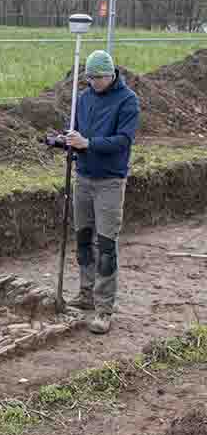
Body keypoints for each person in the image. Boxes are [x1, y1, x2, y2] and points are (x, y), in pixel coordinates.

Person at [64, 50, 140, 334]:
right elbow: (77, 133)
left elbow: (123, 141)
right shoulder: (83, 99)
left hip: (110, 181)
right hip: (83, 177)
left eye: (98, 78)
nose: (93, 82)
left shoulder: (128, 101)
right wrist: (66, 140)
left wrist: (88, 144)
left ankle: (104, 309)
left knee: (106, 245)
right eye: (90, 78)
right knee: (83, 238)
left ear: (111, 74)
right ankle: (85, 294)